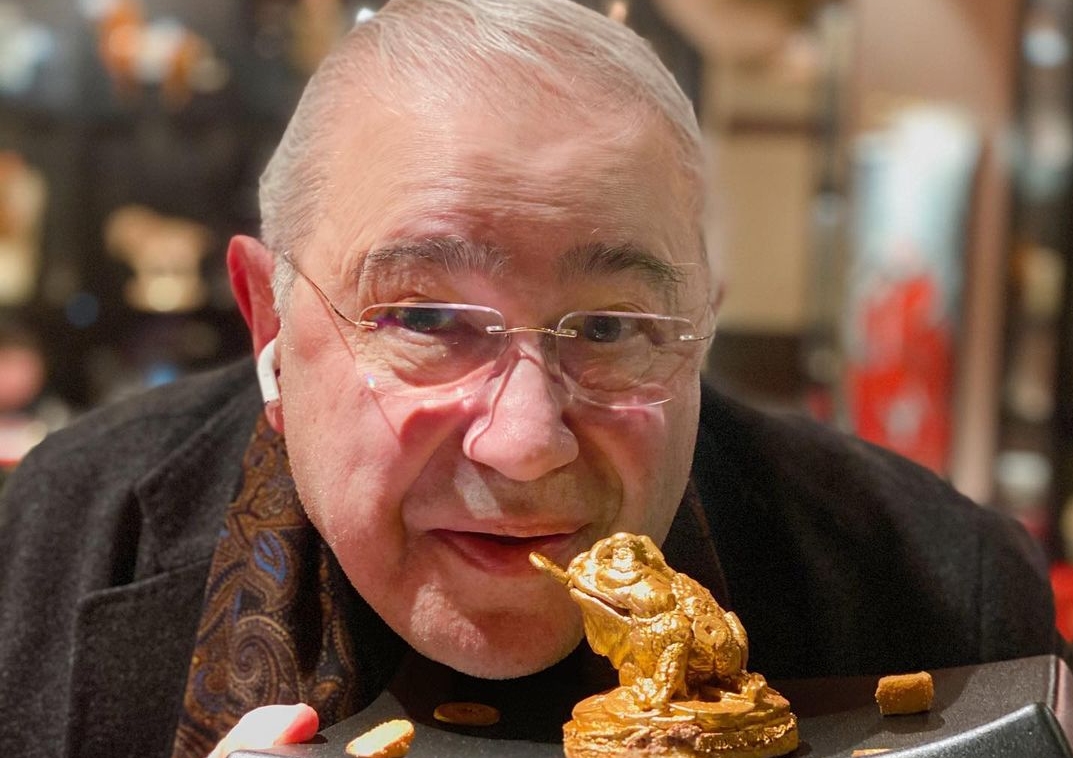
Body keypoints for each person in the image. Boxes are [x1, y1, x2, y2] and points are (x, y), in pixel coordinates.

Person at [0, 1, 1064, 756]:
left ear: (701, 327)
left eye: (610, 326)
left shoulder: (940, 584)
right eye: (422, 317)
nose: (523, 443)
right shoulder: (53, 535)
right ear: (270, 319)